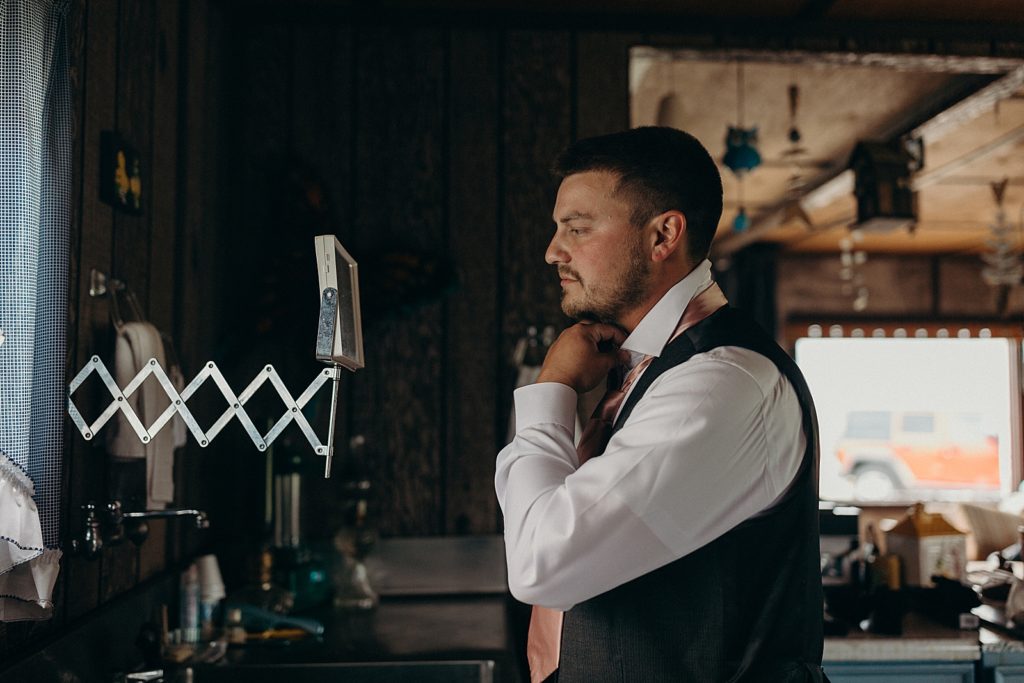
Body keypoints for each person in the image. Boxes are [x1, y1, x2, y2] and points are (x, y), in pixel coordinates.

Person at [495, 127, 825, 683]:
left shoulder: (724, 385)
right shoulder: (642, 371)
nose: (553, 251)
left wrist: (548, 394)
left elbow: (541, 563)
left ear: (663, 235)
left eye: (576, 229)